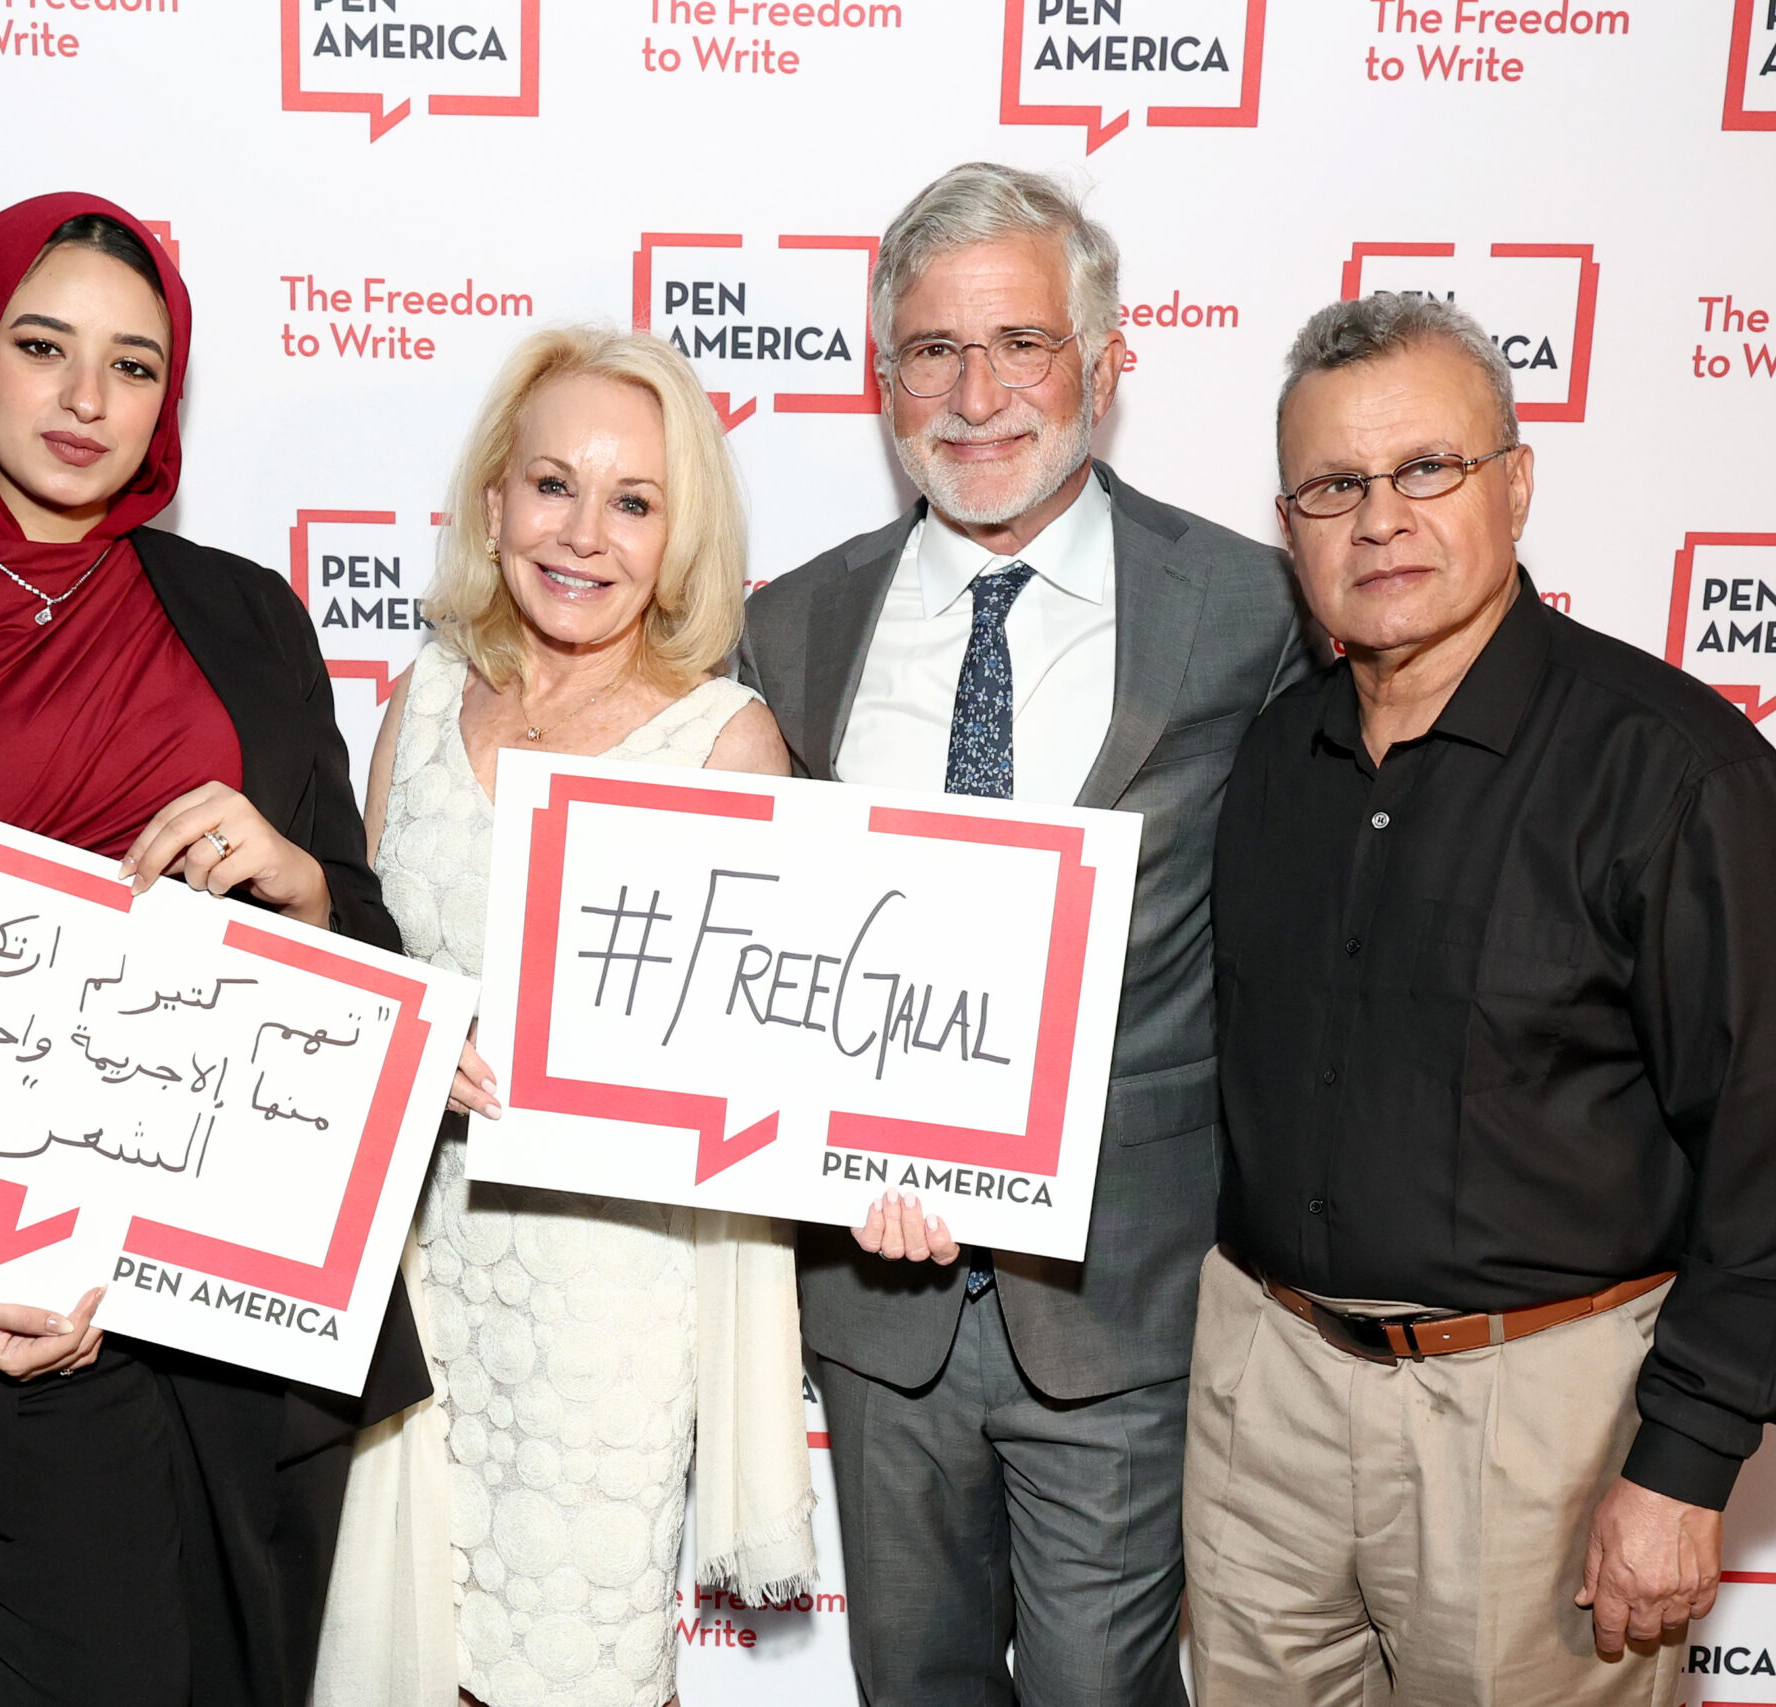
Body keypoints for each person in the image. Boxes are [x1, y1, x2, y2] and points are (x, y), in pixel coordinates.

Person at [0, 192, 430, 1707]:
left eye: (135, 364)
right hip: (15, 1319)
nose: (88, 399)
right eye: (44, 346)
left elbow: (368, 940)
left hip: (252, 1312)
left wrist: (305, 884)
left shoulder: (249, 614)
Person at [1190, 292, 1776, 1704]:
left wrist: (1682, 1465)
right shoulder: (1269, 761)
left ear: (1518, 482)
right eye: (1333, 487)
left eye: (1427, 468)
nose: (1380, 520)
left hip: (1537, 1421)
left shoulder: (1676, 771)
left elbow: (1774, 1153)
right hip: (1265, 1390)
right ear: (1290, 523)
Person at [735, 162, 1308, 1706]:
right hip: (876, 1307)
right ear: (882, 380)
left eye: (1021, 345)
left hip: (1120, 1301)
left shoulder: (1248, 610)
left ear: (1104, 365)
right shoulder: (791, 627)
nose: (976, 397)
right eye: (933, 350)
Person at [314, 326, 814, 1707]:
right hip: (411, 1274)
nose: (585, 534)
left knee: (570, 1666)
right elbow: (353, 970)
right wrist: (403, 1039)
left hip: (607, 1309)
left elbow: (769, 1066)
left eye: (634, 501)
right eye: (553, 485)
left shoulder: (725, 744)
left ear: (676, 540)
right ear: (494, 504)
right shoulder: (419, 701)